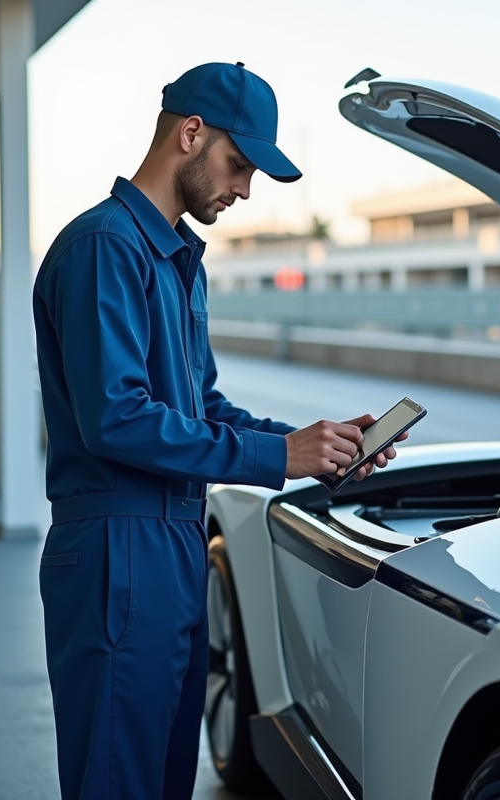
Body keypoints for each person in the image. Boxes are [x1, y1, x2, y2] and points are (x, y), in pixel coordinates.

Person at [32, 62, 405, 800]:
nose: (243, 189)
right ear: (190, 133)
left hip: (174, 547)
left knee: (166, 776)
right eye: (239, 165)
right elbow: (117, 418)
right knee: (118, 779)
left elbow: (200, 408)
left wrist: (312, 446)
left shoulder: (178, 263)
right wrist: (275, 455)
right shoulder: (105, 247)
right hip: (117, 547)